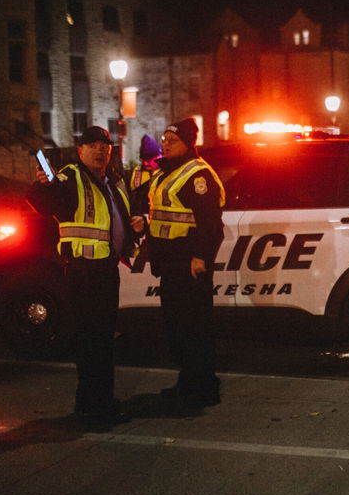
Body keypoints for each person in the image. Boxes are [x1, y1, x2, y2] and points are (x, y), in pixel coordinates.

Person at [26, 126, 144, 426]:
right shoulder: (70, 178)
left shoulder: (111, 181)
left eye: (104, 146)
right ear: (80, 151)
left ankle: (97, 401)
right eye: (92, 145)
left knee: (103, 340)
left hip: (105, 270)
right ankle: (94, 405)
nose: (100, 150)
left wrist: (134, 227)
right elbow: (46, 201)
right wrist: (43, 184)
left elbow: (116, 217)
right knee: (92, 341)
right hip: (84, 271)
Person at [136, 117, 225, 408]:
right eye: (164, 139)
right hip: (171, 263)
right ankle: (188, 382)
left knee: (195, 328)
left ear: (188, 144)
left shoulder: (197, 175)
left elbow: (211, 224)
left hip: (189, 265)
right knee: (177, 328)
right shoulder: (167, 172)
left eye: (172, 141)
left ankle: (204, 389)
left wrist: (200, 257)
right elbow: (165, 214)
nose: (165, 144)